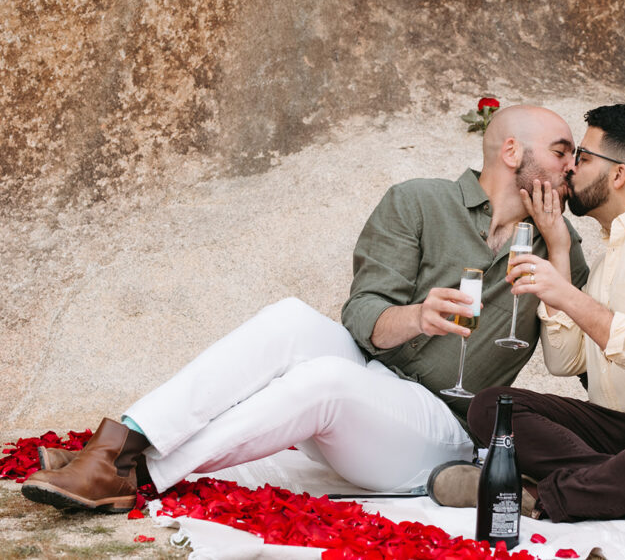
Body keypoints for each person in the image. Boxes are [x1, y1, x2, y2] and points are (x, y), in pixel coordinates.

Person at [21, 104, 590, 513]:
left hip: (443, 426)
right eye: (562, 152)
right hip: (377, 377)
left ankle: (137, 471)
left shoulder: (560, 247)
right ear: (511, 151)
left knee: (326, 379)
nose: (570, 166)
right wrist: (416, 316)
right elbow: (364, 314)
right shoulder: (419, 201)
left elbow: (567, 355)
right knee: (290, 318)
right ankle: (118, 443)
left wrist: (558, 243)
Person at [428, 104, 625, 536]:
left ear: (618, 175)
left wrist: (565, 295)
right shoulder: (605, 263)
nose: (569, 170)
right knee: (493, 406)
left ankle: (537, 498)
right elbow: (564, 362)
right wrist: (558, 249)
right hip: (614, 429)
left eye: (581, 158)